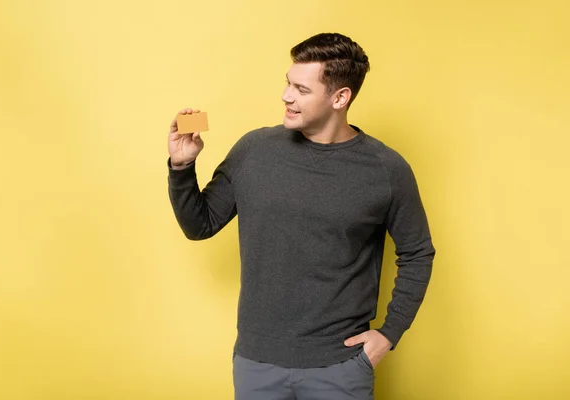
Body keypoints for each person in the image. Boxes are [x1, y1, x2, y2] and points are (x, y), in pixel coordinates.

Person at [167, 32, 436, 400]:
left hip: (341, 366)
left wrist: (389, 334)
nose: (286, 96)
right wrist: (182, 167)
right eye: (287, 83)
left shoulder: (386, 169)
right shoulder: (254, 150)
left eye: (302, 89)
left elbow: (418, 252)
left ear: (340, 97)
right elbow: (200, 225)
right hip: (256, 363)